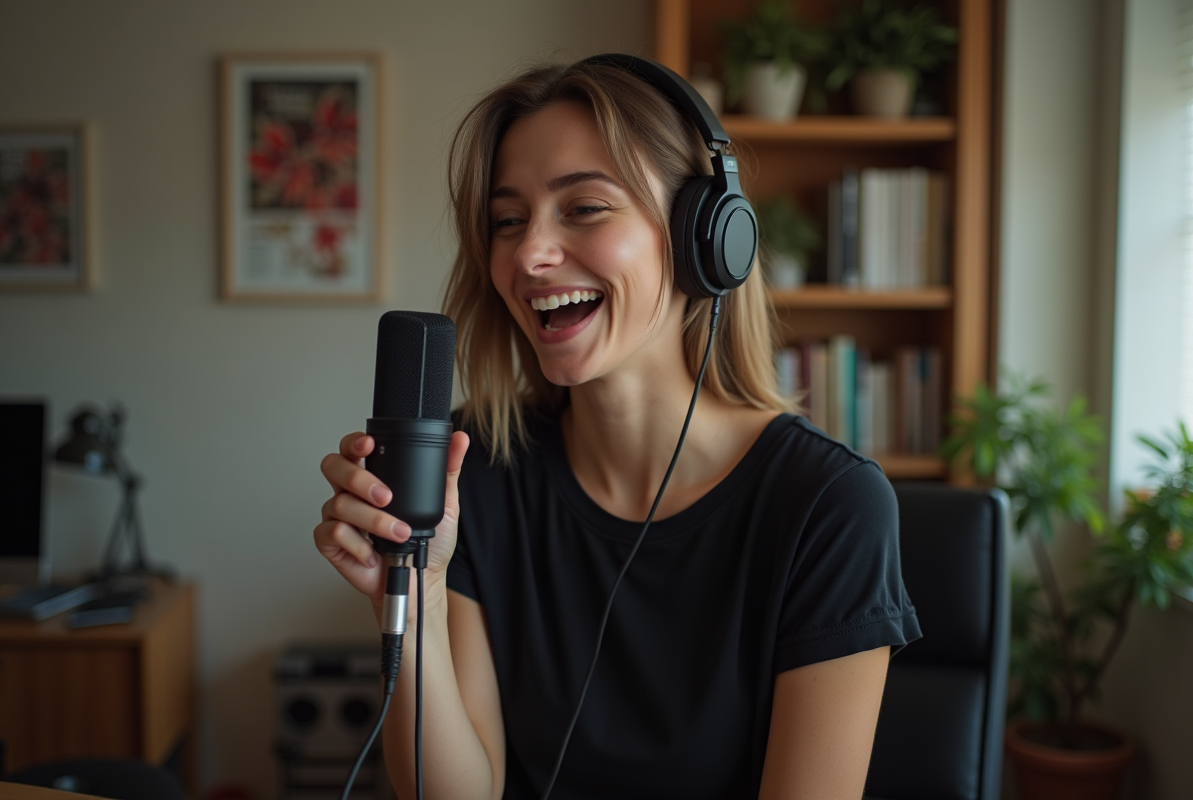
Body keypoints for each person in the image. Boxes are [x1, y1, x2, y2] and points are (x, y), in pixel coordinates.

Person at [314, 56, 920, 800]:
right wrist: (414, 600)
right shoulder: (472, 471)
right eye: (508, 221)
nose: (530, 253)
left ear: (706, 236)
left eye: (585, 208)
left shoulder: (829, 506)